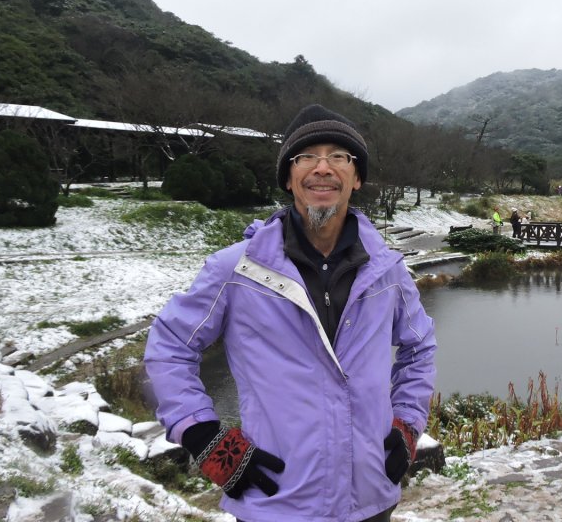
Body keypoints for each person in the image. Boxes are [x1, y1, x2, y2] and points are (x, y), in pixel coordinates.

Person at [144, 104, 437, 522]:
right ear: (288, 176)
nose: (323, 168)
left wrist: (407, 424)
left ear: (357, 178)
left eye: (339, 157)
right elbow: (169, 348)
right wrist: (204, 436)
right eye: (306, 157)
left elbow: (420, 348)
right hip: (277, 500)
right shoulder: (237, 270)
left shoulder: (387, 270)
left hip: (371, 500)